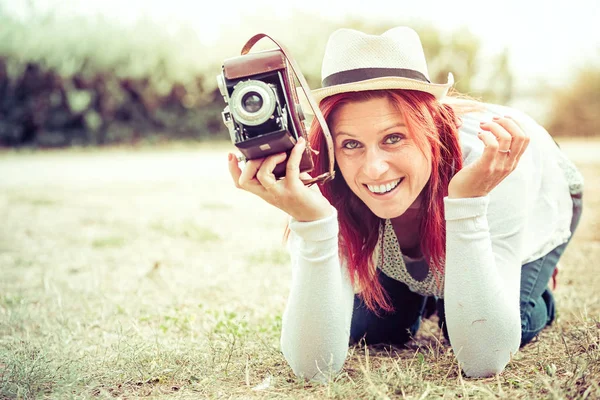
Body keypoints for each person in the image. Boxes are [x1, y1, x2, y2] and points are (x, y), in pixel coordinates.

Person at [227, 27, 584, 380]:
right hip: (420, 235)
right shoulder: (326, 173)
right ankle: (434, 290)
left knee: (483, 321)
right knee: (373, 327)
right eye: (351, 144)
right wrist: (313, 223)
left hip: (538, 199)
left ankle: (531, 291)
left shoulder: (492, 165)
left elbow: (483, 358)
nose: (374, 168)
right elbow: (312, 367)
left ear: (430, 132)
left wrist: (468, 202)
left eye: (394, 138)